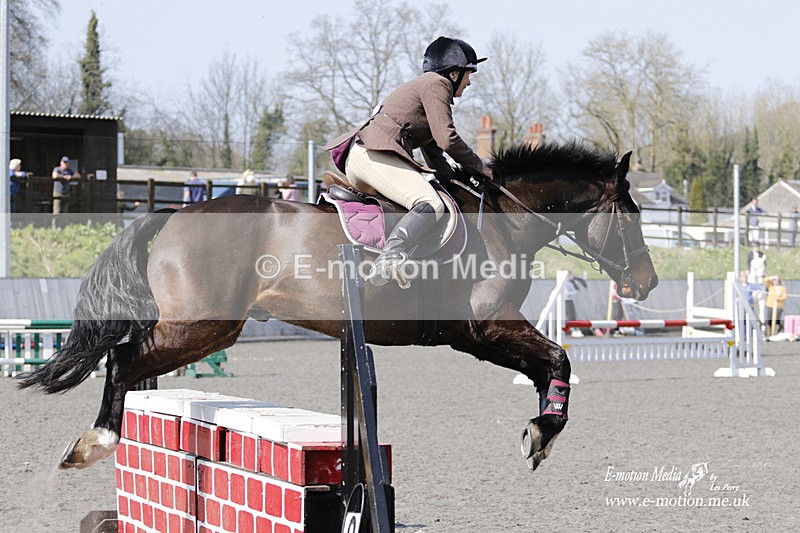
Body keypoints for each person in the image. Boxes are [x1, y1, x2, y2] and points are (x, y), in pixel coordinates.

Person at [323, 36, 493, 287]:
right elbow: (447, 139)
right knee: (430, 204)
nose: (469, 82)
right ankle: (390, 257)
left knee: (432, 195)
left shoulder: (427, 89)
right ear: (454, 73)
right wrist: (481, 168)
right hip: (373, 155)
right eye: (469, 74)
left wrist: (458, 182)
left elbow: (435, 152)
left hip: (369, 156)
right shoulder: (437, 84)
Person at [564, 271, 588, 336]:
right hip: (566, 301)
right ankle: (571, 330)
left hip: (570, 300)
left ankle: (573, 329)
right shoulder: (565, 283)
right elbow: (566, 294)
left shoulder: (571, 282)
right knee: (570, 317)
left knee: (573, 316)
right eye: (570, 275)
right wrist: (574, 291)